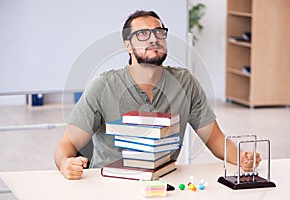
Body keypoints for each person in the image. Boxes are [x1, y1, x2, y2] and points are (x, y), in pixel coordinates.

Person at [54, 10, 261, 180]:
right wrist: (65, 164)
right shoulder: (103, 86)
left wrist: (242, 158)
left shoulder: (185, 83)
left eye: (159, 32)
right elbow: (67, 146)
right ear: (128, 45)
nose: (154, 39)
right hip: (110, 184)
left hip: (164, 183)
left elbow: (216, 140)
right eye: (142, 34)